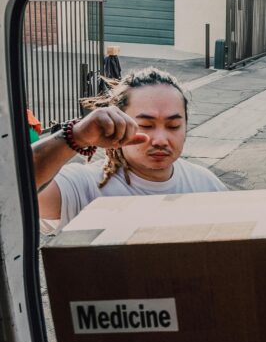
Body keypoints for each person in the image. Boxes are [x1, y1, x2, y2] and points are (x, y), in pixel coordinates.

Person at [34, 67, 226, 228]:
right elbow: (11, 190)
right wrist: (76, 136)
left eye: (173, 126)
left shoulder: (206, 185)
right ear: (119, 123)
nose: (160, 140)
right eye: (146, 125)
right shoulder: (82, 186)